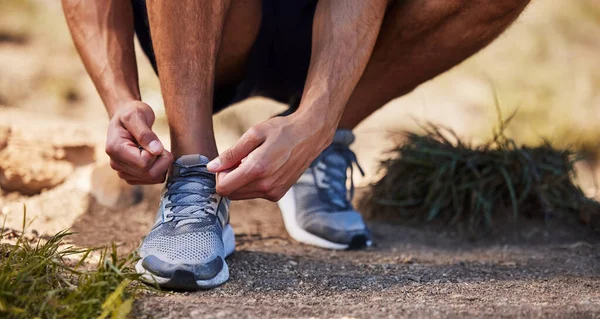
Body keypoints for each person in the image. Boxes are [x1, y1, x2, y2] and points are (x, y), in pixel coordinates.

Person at [62, 0, 530, 290]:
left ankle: (312, 147)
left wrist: (318, 120)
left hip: (346, 28)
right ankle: (194, 171)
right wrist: (119, 97)